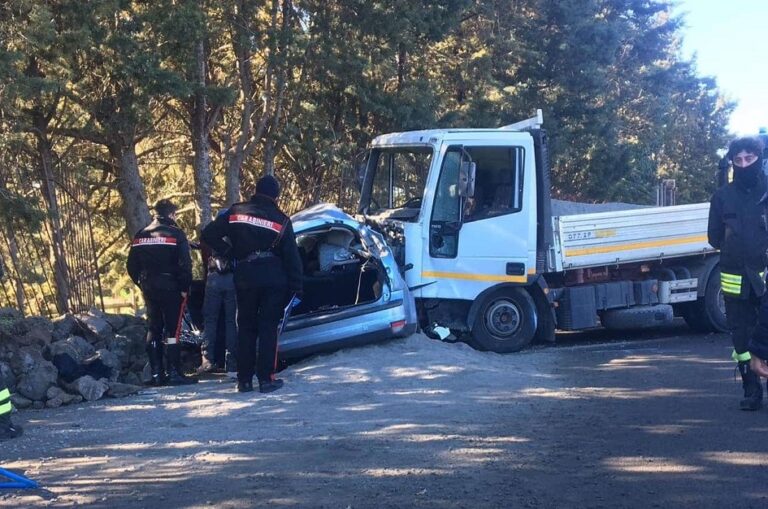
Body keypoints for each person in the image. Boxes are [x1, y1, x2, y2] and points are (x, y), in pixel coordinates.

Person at [202, 175, 303, 393]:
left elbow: (208, 234)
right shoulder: (281, 219)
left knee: (245, 328)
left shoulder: (235, 212)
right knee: (268, 328)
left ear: (255, 190)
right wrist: (297, 287)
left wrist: (230, 253)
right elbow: (292, 257)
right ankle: (266, 380)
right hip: (273, 277)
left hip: (245, 275)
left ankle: (244, 381)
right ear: (276, 196)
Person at [708, 136, 768, 410]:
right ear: (732, 163)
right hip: (735, 281)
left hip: (765, 279)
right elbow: (714, 237)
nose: (744, 164)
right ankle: (751, 389)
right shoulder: (721, 197)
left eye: (750, 159)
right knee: (742, 340)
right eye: (738, 160)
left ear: (759, 158)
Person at [127, 199, 197, 386]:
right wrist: (184, 287)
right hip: (171, 287)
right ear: (172, 214)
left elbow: (131, 265)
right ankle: (174, 372)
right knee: (173, 330)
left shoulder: (141, 235)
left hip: (149, 286)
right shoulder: (176, 234)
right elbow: (185, 264)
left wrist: (142, 284)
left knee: (154, 328)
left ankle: (157, 373)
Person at [198, 238, 238, 377]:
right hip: (231, 277)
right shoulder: (235, 233)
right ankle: (232, 363)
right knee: (232, 321)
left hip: (213, 278)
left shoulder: (212, 234)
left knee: (210, 320)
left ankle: (207, 360)